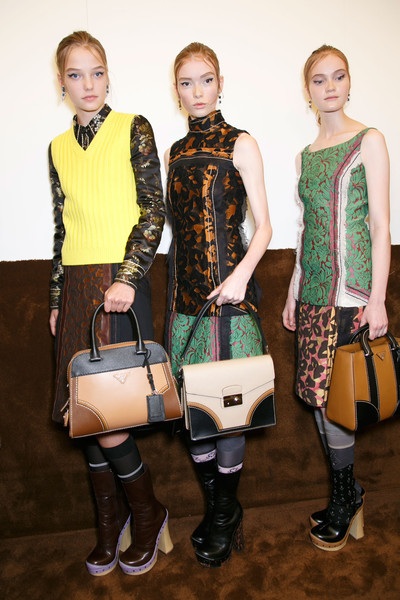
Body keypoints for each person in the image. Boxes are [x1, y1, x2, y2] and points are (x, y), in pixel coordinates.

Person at [49, 31, 171, 576]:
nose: (89, 84)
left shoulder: (132, 127)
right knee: (85, 415)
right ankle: (110, 524)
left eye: (97, 72)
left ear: (107, 74)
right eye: (76, 75)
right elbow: (62, 229)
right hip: (77, 288)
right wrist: (57, 297)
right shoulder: (56, 148)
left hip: (120, 285)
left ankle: (148, 514)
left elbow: (153, 209)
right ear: (62, 82)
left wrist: (127, 277)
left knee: (111, 417)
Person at [164, 42, 272, 567]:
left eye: (205, 80)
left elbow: (265, 227)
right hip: (185, 305)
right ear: (177, 91)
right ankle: (221, 510)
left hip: (231, 303)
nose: (197, 91)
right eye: (186, 83)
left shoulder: (241, 143)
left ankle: (224, 514)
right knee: (196, 418)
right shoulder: (174, 152)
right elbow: (178, 236)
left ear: (220, 83)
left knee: (230, 415)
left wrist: (240, 277)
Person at [282, 45, 391, 551]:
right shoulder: (305, 157)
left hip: (352, 295)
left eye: (338, 76)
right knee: (318, 401)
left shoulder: (369, 140)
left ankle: (346, 498)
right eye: (319, 79)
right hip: (313, 295)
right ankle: (347, 494)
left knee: (338, 403)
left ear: (349, 83)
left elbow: (380, 225)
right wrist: (293, 291)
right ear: (307, 91)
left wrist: (378, 299)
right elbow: (307, 230)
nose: (330, 86)